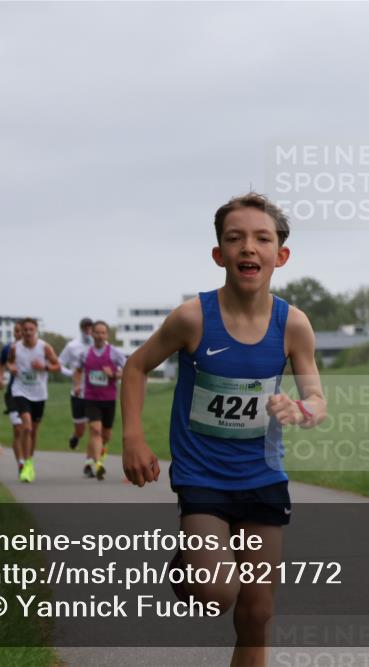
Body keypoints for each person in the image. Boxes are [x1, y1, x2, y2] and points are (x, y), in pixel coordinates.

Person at [121, 192, 326, 667]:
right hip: (203, 479)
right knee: (214, 592)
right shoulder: (193, 318)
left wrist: (302, 409)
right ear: (219, 255)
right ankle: (190, 566)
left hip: (263, 479)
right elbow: (136, 366)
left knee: (258, 611)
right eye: (235, 239)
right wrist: (133, 439)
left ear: (281, 255)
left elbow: (316, 398)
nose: (248, 248)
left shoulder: (293, 324)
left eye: (262, 239)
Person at [7, 318, 61, 483]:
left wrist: (44, 367)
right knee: (27, 427)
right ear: (21, 331)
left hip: (39, 393)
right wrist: (12, 368)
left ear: (36, 330)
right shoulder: (15, 348)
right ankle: (25, 464)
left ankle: (29, 460)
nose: (28, 332)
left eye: (31, 329)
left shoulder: (44, 347)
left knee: (34, 430)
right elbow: (9, 362)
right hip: (20, 391)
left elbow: (57, 366)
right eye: (25, 330)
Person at [71, 320, 127, 480]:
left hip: (109, 399)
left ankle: (89, 460)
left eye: (103, 332)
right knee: (95, 430)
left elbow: (128, 369)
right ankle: (98, 464)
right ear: (92, 334)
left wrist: (114, 375)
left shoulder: (115, 353)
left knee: (106, 435)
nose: (100, 335)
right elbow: (77, 370)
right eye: (97, 332)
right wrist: (77, 385)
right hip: (91, 398)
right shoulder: (85, 353)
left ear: (107, 335)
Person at [59, 318, 94, 452]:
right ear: (81, 329)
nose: (88, 331)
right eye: (85, 328)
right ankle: (76, 436)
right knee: (81, 430)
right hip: (78, 393)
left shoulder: (100, 345)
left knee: (96, 429)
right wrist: (70, 374)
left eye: (90, 328)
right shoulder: (72, 346)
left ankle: (90, 462)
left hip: (96, 393)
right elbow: (59, 363)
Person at [0, 321, 24, 474]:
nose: (19, 334)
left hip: (32, 394)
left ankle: (27, 459)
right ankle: (20, 462)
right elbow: (0, 364)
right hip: (13, 393)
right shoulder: (8, 348)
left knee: (29, 429)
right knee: (18, 429)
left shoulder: (36, 348)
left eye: (22, 331)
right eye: (17, 331)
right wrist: (1, 378)